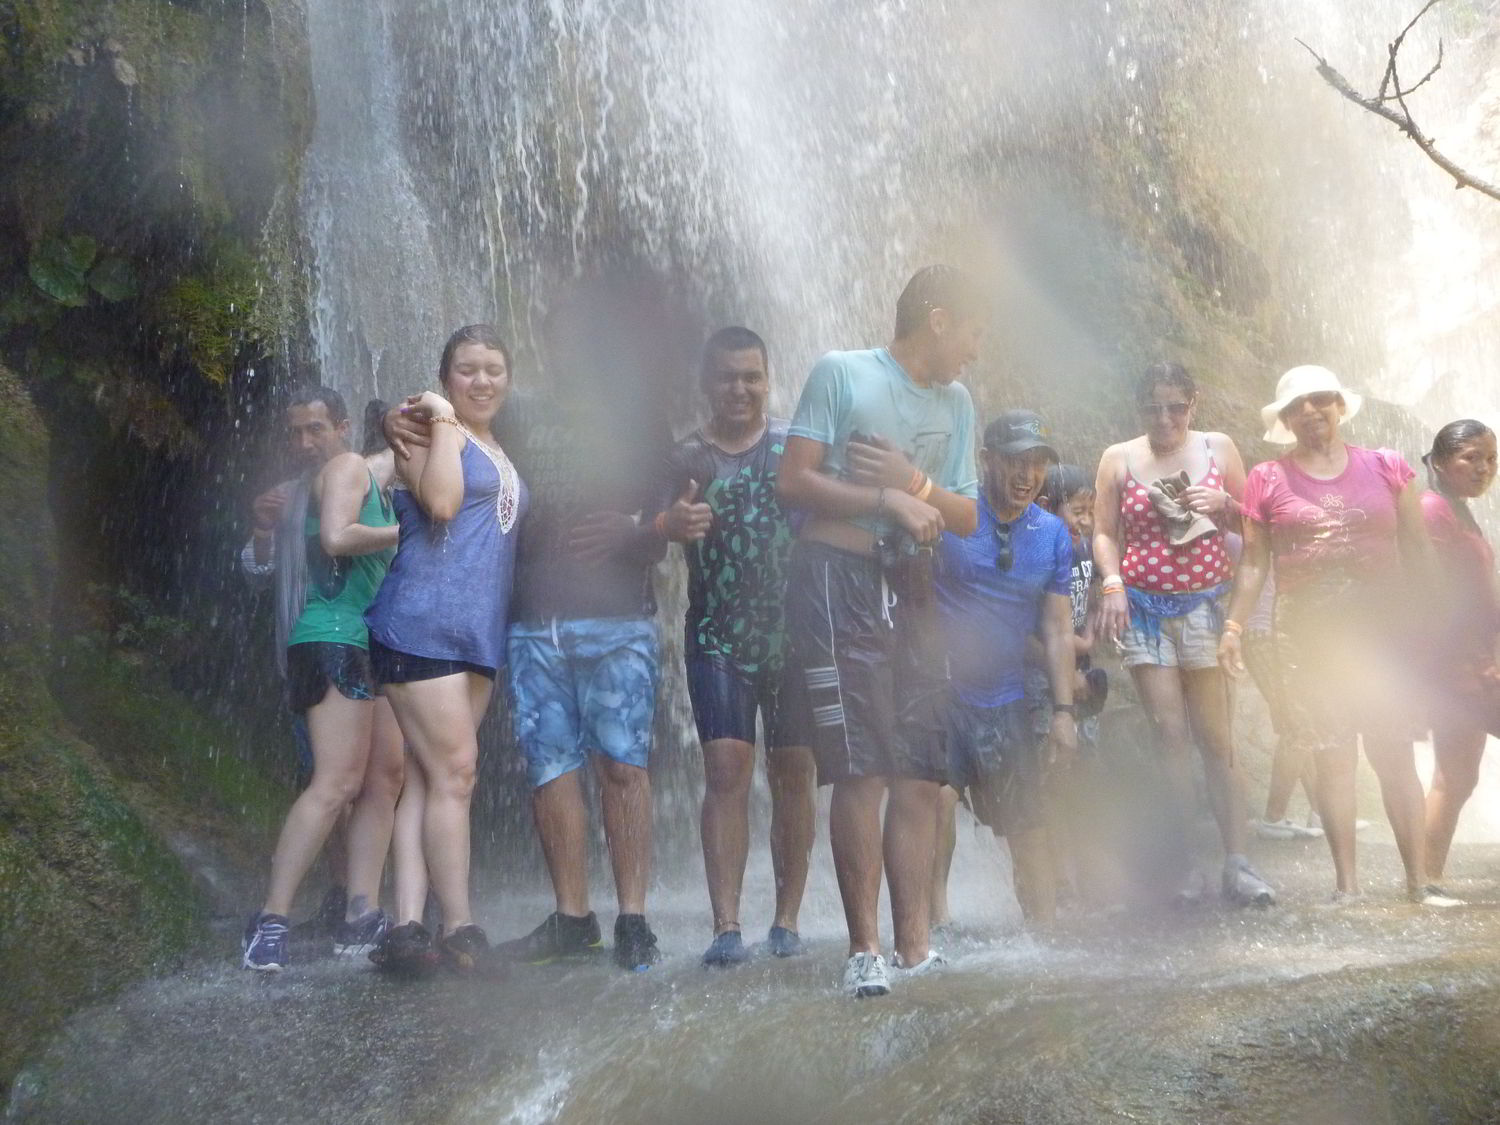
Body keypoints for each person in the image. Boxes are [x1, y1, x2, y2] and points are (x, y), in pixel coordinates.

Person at [388, 287, 673, 971]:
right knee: (550, 770)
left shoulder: (636, 416)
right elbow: (439, 428)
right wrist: (396, 424)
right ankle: (573, 917)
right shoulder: (511, 411)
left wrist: (638, 529)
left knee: (623, 766)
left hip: (618, 619)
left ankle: (633, 916)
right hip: (528, 621)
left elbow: (670, 507)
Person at [777, 264, 981, 998]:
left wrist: (916, 486)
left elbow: (965, 514)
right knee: (860, 765)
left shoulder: (958, 402)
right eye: (973, 330)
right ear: (937, 318)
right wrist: (886, 494)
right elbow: (791, 480)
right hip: (839, 578)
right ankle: (864, 948)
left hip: (915, 586)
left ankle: (915, 943)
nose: (976, 348)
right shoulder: (840, 373)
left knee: (922, 769)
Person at [1218, 365, 1458, 906]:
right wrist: (1233, 625)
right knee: (1332, 754)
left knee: (1394, 750)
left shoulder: (1388, 467)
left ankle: (1420, 882)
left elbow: (1417, 552)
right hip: (1309, 639)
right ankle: (1347, 886)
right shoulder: (1266, 479)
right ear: (1284, 419)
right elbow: (1254, 565)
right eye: (1297, 406)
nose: (1309, 412)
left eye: (1319, 400)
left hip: (1384, 633)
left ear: (1339, 406)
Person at [363, 324, 528, 972]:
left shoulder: (492, 442)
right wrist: (443, 419)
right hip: (423, 622)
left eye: (493, 368)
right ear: (444, 377)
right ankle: (458, 925)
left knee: (432, 778)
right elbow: (441, 501)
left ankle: (405, 927)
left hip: (474, 632)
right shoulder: (436, 434)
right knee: (457, 773)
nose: (482, 380)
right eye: (467, 369)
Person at [649, 327, 816, 967]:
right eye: (726, 377)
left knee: (795, 773)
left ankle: (788, 918)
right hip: (717, 635)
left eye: (751, 376)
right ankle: (726, 925)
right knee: (725, 773)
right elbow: (642, 532)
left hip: (796, 637)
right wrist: (668, 524)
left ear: (769, 379)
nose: (739, 389)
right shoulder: (685, 458)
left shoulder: (795, 448)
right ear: (705, 383)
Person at [1094, 362, 1273, 907]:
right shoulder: (1118, 458)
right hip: (1145, 613)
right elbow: (1104, 532)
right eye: (1153, 407)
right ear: (1139, 409)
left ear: (1192, 404)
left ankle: (1237, 863)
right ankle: (1186, 863)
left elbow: (1255, 526)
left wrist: (1227, 506)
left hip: (1206, 608)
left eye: (1175, 406)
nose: (1165, 417)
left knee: (1217, 740)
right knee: (1169, 738)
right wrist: (1113, 582)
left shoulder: (1219, 448)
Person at [242, 387, 405, 971]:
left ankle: (360, 915)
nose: (304, 442)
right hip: (332, 635)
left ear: (342, 425)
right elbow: (331, 542)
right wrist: (403, 531)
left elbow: (394, 463)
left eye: (315, 428)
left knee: (384, 779)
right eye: (296, 432)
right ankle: (270, 921)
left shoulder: (370, 476)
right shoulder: (341, 470)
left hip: (368, 640)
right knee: (335, 783)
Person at [936, 412, 1078, 927]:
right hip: (941, 692)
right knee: (934, 802)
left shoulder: (1053, 533)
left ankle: (1042, 936)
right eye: (1016, 461)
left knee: (1027, 826)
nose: (1027, 474)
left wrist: (1064, 711)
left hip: (1007, 697)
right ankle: (935, 926)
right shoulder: (953, 513)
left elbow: (1059, 628)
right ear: (987, 460)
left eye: (1037, 463)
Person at [1419, 419, 1500, 882]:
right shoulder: (1434, 511)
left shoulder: (1459, 510)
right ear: (1442, 462)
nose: (1484, 467)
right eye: (1471, 457)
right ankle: (1424, 879)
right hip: (1460, 668)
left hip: (1474, 663)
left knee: (1456, 779)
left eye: (1491, 459)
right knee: (1452, 779)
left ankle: (1427, 880)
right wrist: (1475, 659)